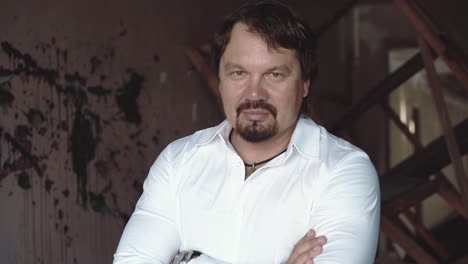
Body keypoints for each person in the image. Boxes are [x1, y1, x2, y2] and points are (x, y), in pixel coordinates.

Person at [113, 1, 380, 263]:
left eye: (274, 74)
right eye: (239, 73)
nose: (255, 93)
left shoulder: (344, 169)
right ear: (221, 80)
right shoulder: (178, 161)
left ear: (305, 84)